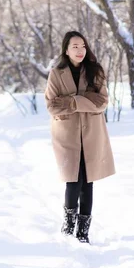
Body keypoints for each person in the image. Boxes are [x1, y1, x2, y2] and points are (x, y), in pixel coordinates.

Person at [44, 31, 116, 243]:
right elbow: (52, 105)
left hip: (92, 134)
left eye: (83, 46)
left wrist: (71, 102)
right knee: (72, 181)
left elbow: (101, 102)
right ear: (66, 50)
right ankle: (68, 228)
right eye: (75, 46)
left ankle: (83, 233)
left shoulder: (95, 71)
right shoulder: (56, 74)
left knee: (88, 183)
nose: (80, 50)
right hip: (67, 135)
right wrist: (83, 100)